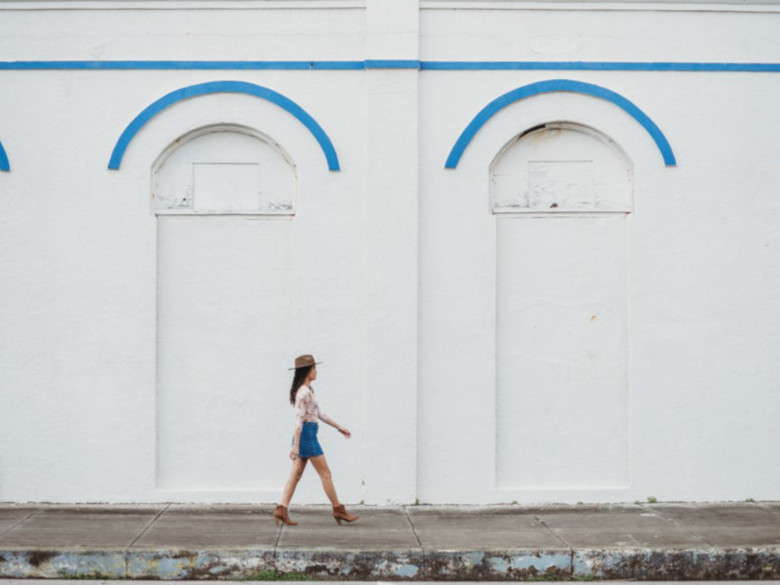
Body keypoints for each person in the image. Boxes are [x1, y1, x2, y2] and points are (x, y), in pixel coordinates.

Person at [273, 354, 359, 526]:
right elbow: (299, 421)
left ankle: (281, 509)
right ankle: (338, 509)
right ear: (307, 371)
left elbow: (320, 414)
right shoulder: (304, 393)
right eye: (314, 369)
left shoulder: (308, 391)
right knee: (325, 474)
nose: (316, 372)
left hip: (307, 435)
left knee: (295, 475)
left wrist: (338, 427)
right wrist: (296, 446)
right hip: (306, 437)